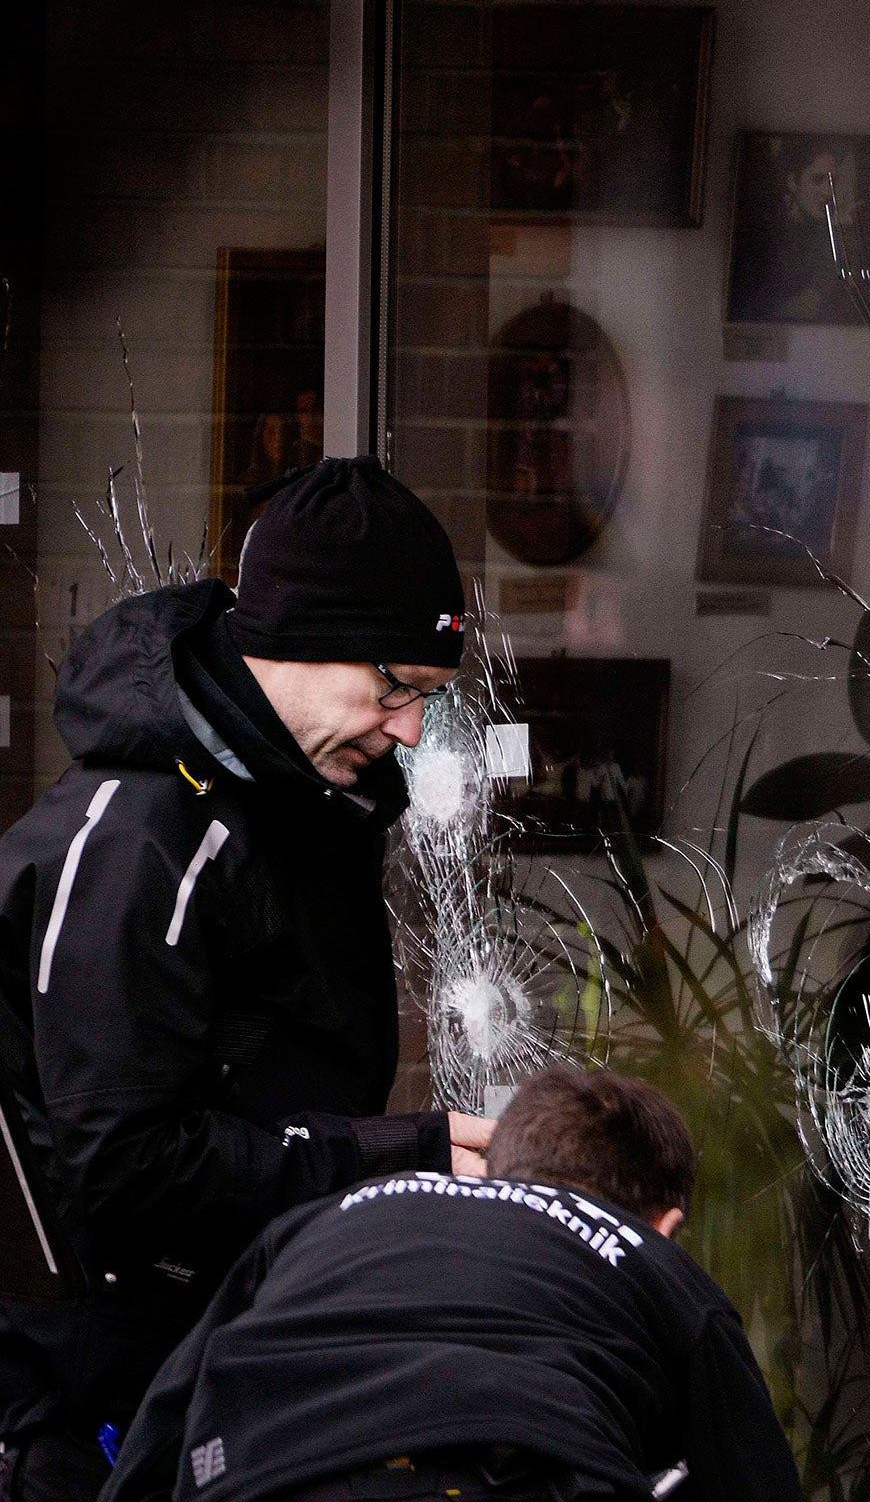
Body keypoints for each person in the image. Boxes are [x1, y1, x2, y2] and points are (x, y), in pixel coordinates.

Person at [0, 457, 494, 1498]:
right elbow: (124, 1161)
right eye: (393, 687)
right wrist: (392, 1155)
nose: (408, 729)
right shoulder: (140, 835)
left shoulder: (290, 795)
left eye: (428, 700)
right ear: (295, 646)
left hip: (214, 1338)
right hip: (92, 1389)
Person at [102, 1066, 804, 1502]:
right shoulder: (647, 1259)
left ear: (494, 1172)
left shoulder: (318, 1225)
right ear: (666, 1224)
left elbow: (156, 1441)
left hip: (264, 1474)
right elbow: (752, 1480)